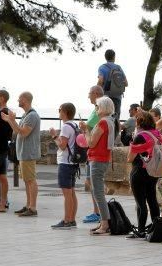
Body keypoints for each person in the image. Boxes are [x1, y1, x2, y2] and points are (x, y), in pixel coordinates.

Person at [1, 92, 41, 217]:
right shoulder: (26, 115)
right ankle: (28, 205)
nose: (18, 100)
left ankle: (33, 208)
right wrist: (10, 120)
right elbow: (17, 130)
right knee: (27, 180)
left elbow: (23, 132)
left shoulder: (32, 116)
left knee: (30, 180)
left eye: (19, 98)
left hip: (28, 153)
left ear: (24, 100)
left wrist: (11, 120)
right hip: (23, 153)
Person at [127, 111, 162, 239]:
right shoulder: (157, 134)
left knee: (140, 202)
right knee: (152, 200)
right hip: (153, 171)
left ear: (139, 122)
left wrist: (134, 139)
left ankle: (141, 230)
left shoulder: (140, 136)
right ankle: (155, 228)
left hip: (139, 171)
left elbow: (130, 158)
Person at [81, 96, 114, 235]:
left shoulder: (102, 123)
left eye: (97, 106)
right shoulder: (110, 121)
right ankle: (103, 221)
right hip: (103, 158)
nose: (96, 109)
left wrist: (85, 131)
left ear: (103, 107)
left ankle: (105, 223)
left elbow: (91, 143)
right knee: (96, 191)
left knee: (98, 192)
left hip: (98, 159)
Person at [49, 103, 79, 229]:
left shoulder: (66, 126)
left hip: (65, 162)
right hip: (73, 162)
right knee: (71, 192)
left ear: (65, 112)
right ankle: (72, 219)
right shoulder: (75, 124)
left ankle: (67, 220)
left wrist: (54, 135)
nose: (58, 112)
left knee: (67, 194)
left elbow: (62, 145)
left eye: (60, 110)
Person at [81, 85, 104, 224]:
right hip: (93, 152)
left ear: (96, 94)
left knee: (94, 183)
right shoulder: (97, 110)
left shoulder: (98, 110)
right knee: (92, 182)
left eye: (89, 93)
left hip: (96, 152)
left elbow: (89, 128)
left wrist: (84, 128)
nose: (88, 96)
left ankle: (99, 213)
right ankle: (98, 212)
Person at [97, 49, 128, 126]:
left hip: (106, 97)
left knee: (105, 118)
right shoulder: (118, 68)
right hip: (117, 97)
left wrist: (97, 90)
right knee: (116, 119)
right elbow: (126, 83)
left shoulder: (102, 67)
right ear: (114, 57)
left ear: (105, 57)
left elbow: (100, 81)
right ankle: (115, 136)